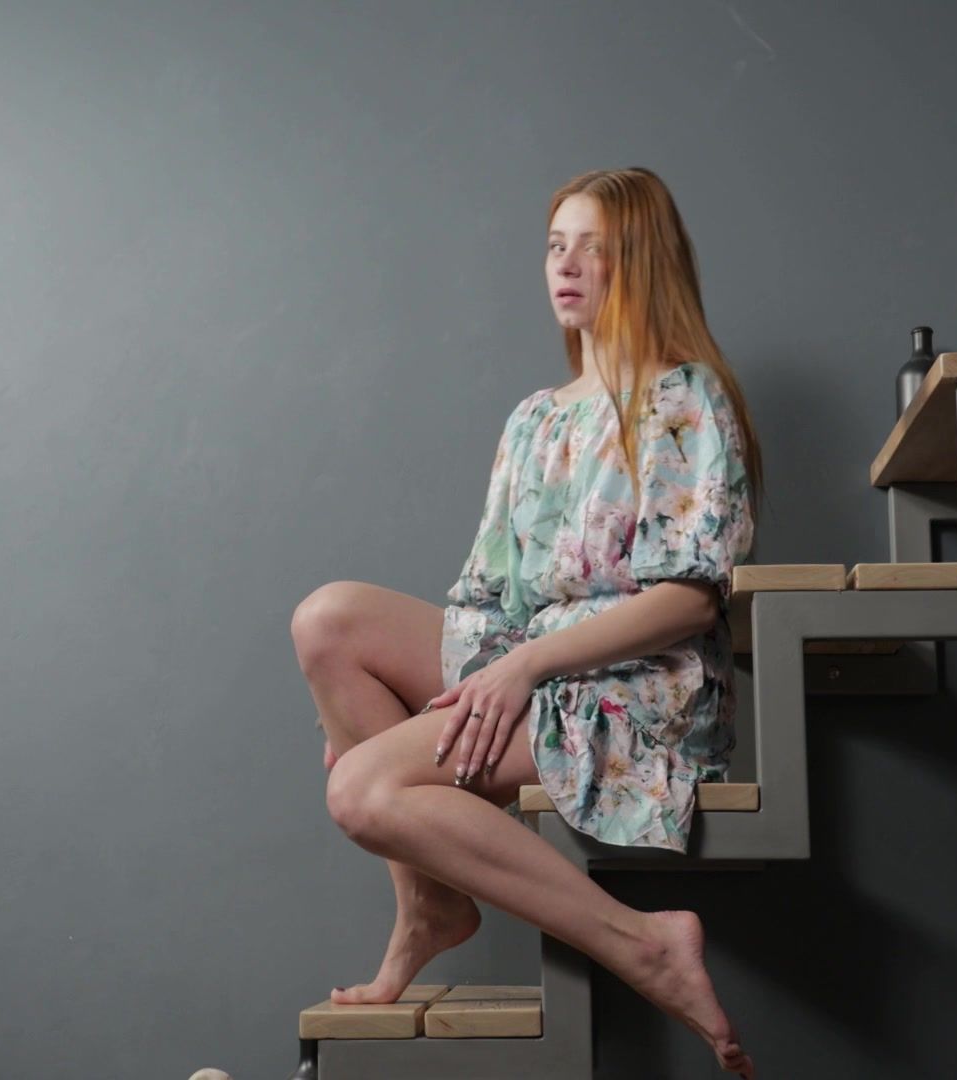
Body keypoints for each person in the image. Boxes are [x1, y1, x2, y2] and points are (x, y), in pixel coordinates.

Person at [290, 167, 764, 1076]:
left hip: (638, 686)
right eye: (555, 246)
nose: (566, 265)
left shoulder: (684, 398)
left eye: (594, 247)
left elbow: (692, 597)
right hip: (530, 659)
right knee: (328, 622)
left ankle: (643, 942)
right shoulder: (534, 419)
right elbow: (488, 601)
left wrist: (526, 669)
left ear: (642, 262)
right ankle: (431, 905)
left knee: (359, 790)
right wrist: (377, 704)